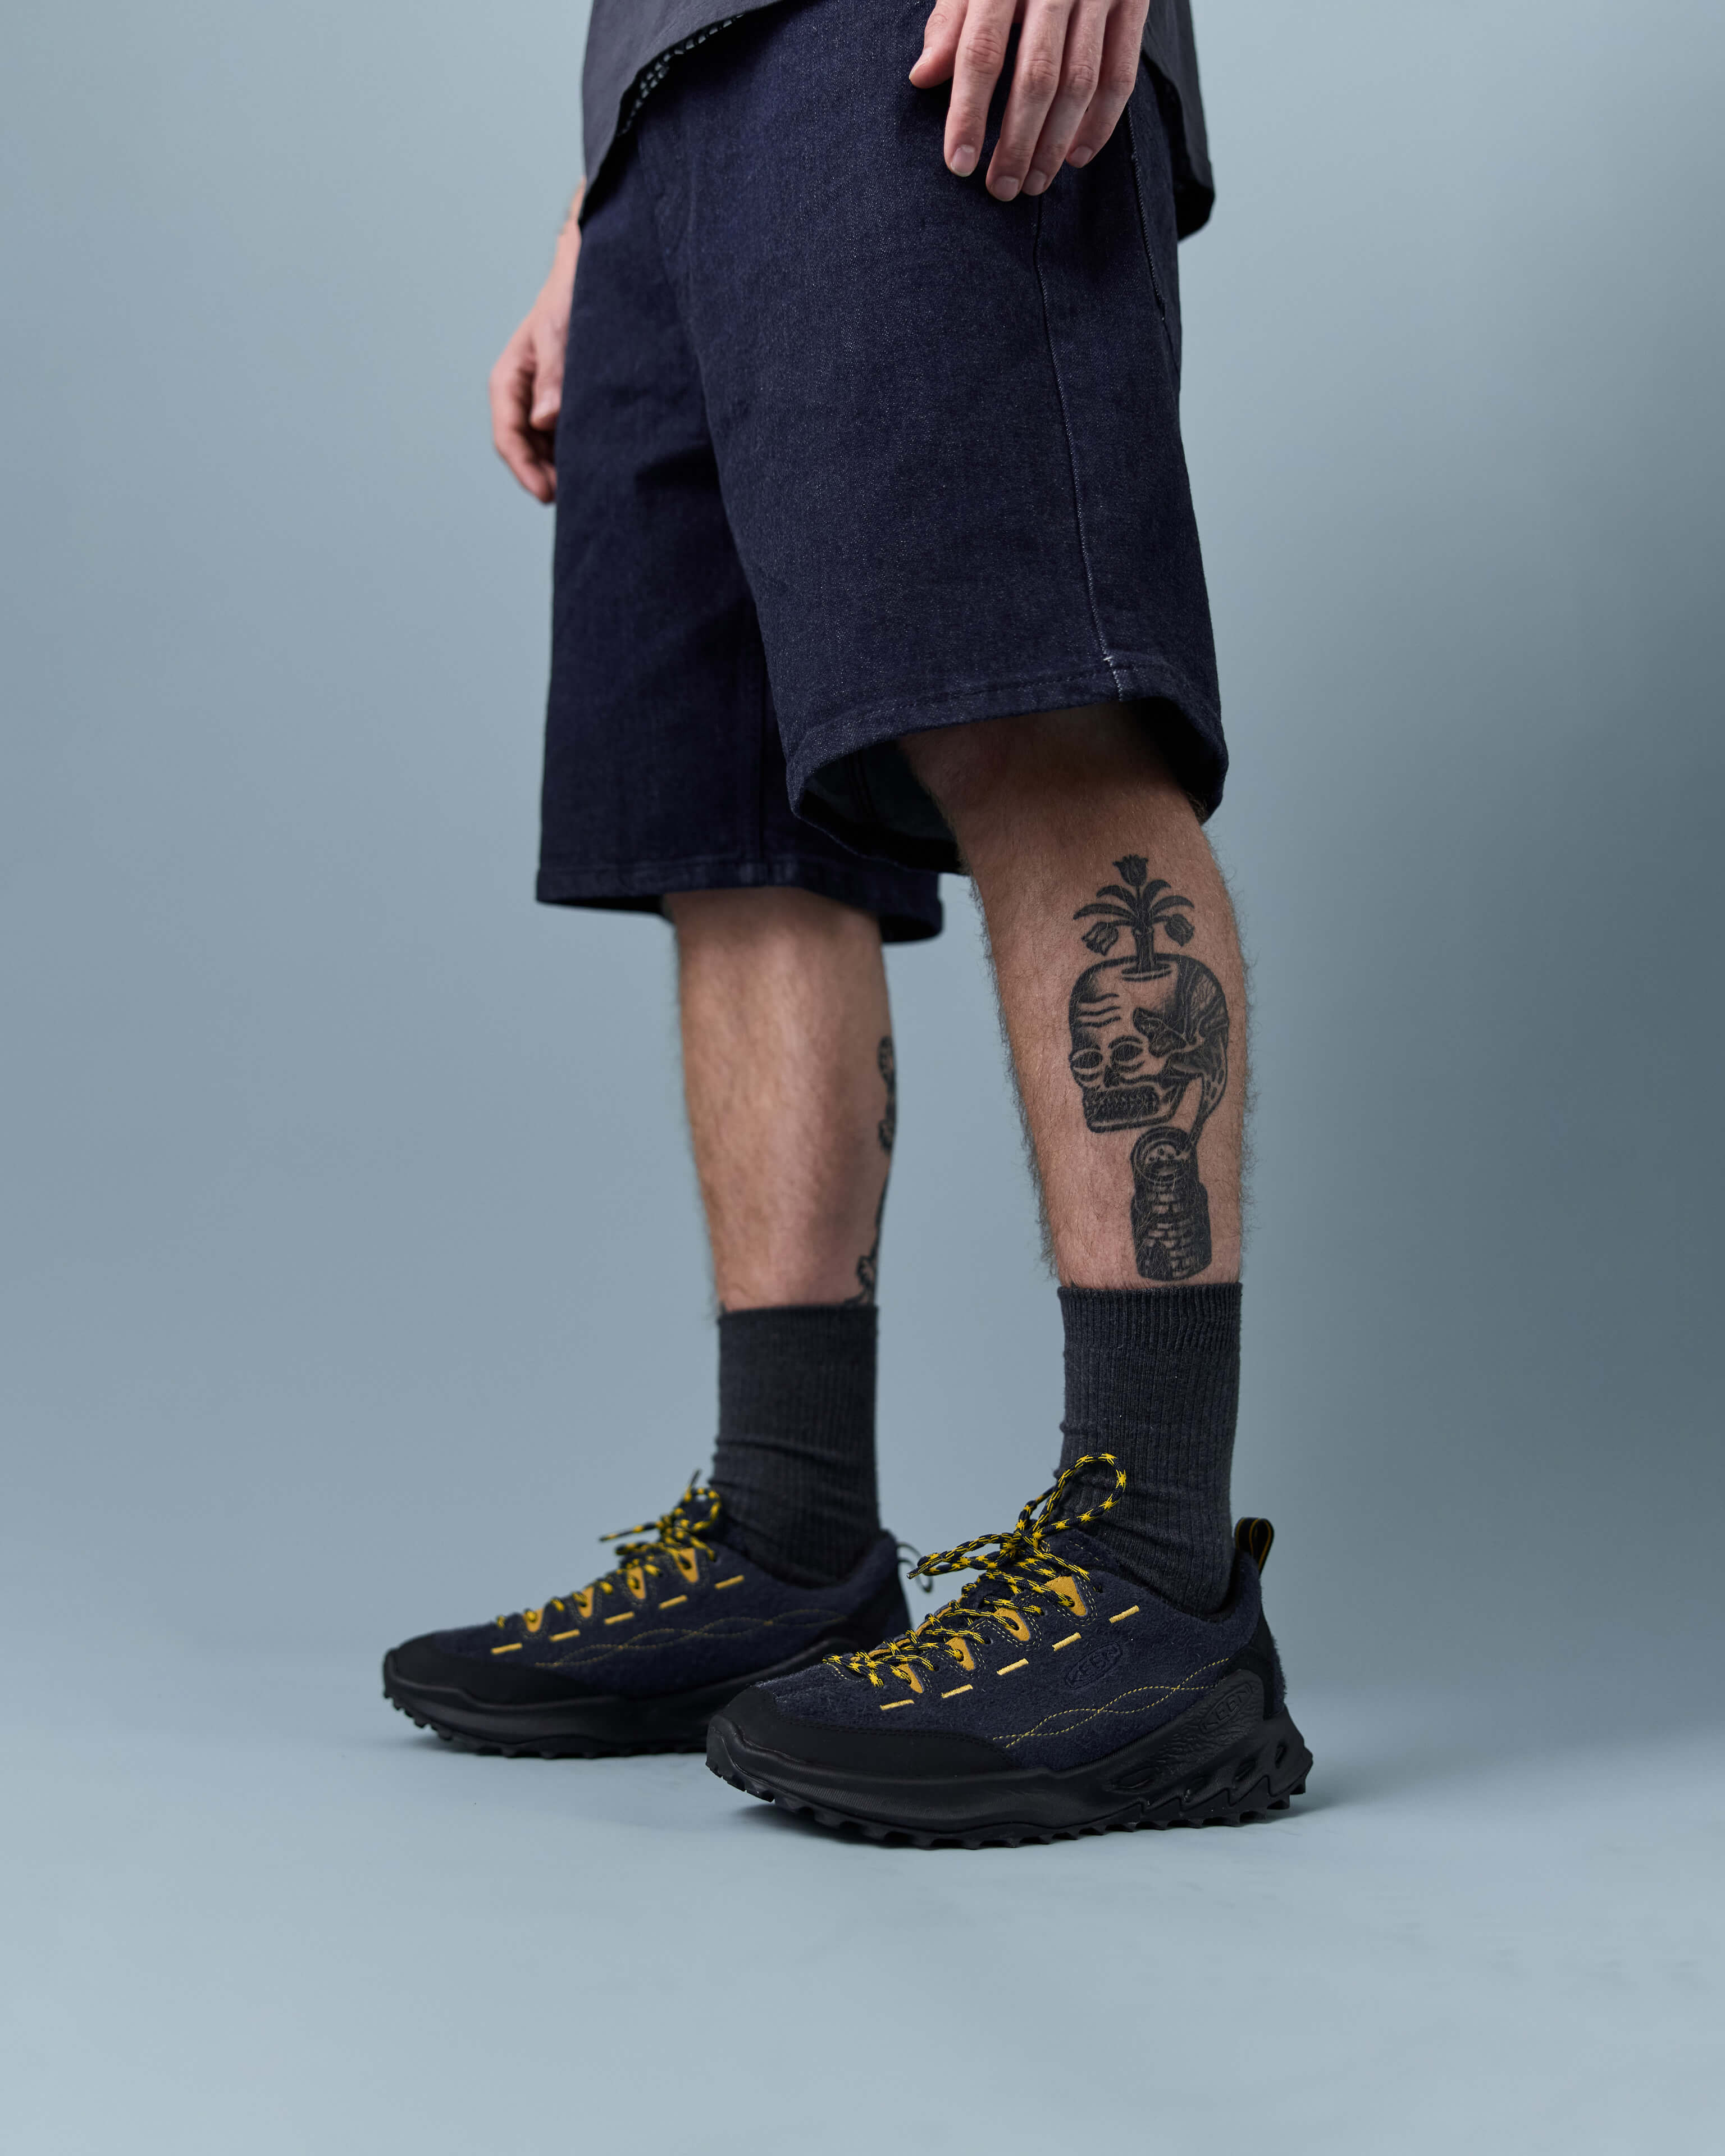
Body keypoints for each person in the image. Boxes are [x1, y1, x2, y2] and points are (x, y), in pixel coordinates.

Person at [382, 0, 1311, 1844]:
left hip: (902, 38)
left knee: (1031, 703)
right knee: (731, 835)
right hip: (662, 114)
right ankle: (789, 1531)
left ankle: (1157, 1580)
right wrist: (599, 201)